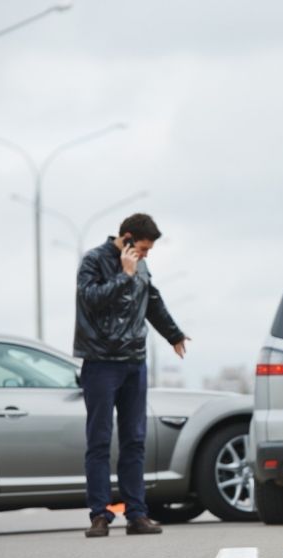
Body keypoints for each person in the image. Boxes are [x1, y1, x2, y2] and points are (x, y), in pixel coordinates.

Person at [74, 213, 190, 538]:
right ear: (125, 238)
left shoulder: (140, 264)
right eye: (142, 248)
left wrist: (174, 335)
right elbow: (90, 300)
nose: (146, 254)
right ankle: (99, 514)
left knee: (134, 442)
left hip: (134, 363)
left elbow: (151, 300)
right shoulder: (93, 261)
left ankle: (137, 514)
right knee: (99, 441)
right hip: (100, 362)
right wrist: (124, 276)